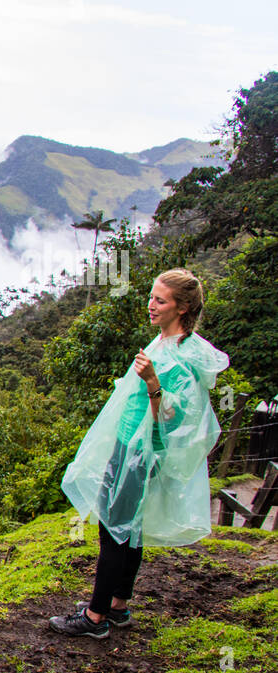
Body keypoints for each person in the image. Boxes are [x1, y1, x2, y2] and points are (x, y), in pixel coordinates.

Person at [51, 268, 230, 638]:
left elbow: (173, 418)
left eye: (160, 300)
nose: (151, 305)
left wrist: (151, 383)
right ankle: (117, 606)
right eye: (151, 296)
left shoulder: (181, 359)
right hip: (131, 443)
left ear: (181, 308)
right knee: (129, 528)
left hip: (140, 451)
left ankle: (95, 617)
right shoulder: (165, 342)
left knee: (113, 530)